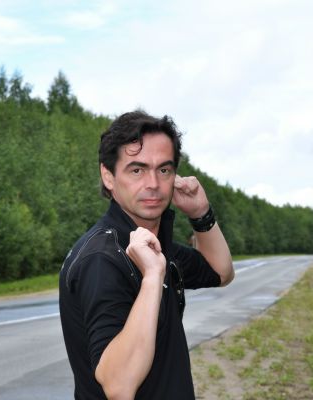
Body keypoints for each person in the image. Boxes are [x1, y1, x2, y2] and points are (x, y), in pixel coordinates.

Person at [59, 110, 234, 399]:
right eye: (137, 170)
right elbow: (118, 386)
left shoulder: (155, 246)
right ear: (108, 176)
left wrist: (201, 214)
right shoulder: (102, 259)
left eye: (164, 170)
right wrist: (152, 277)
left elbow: (221, 272)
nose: (153, 183)